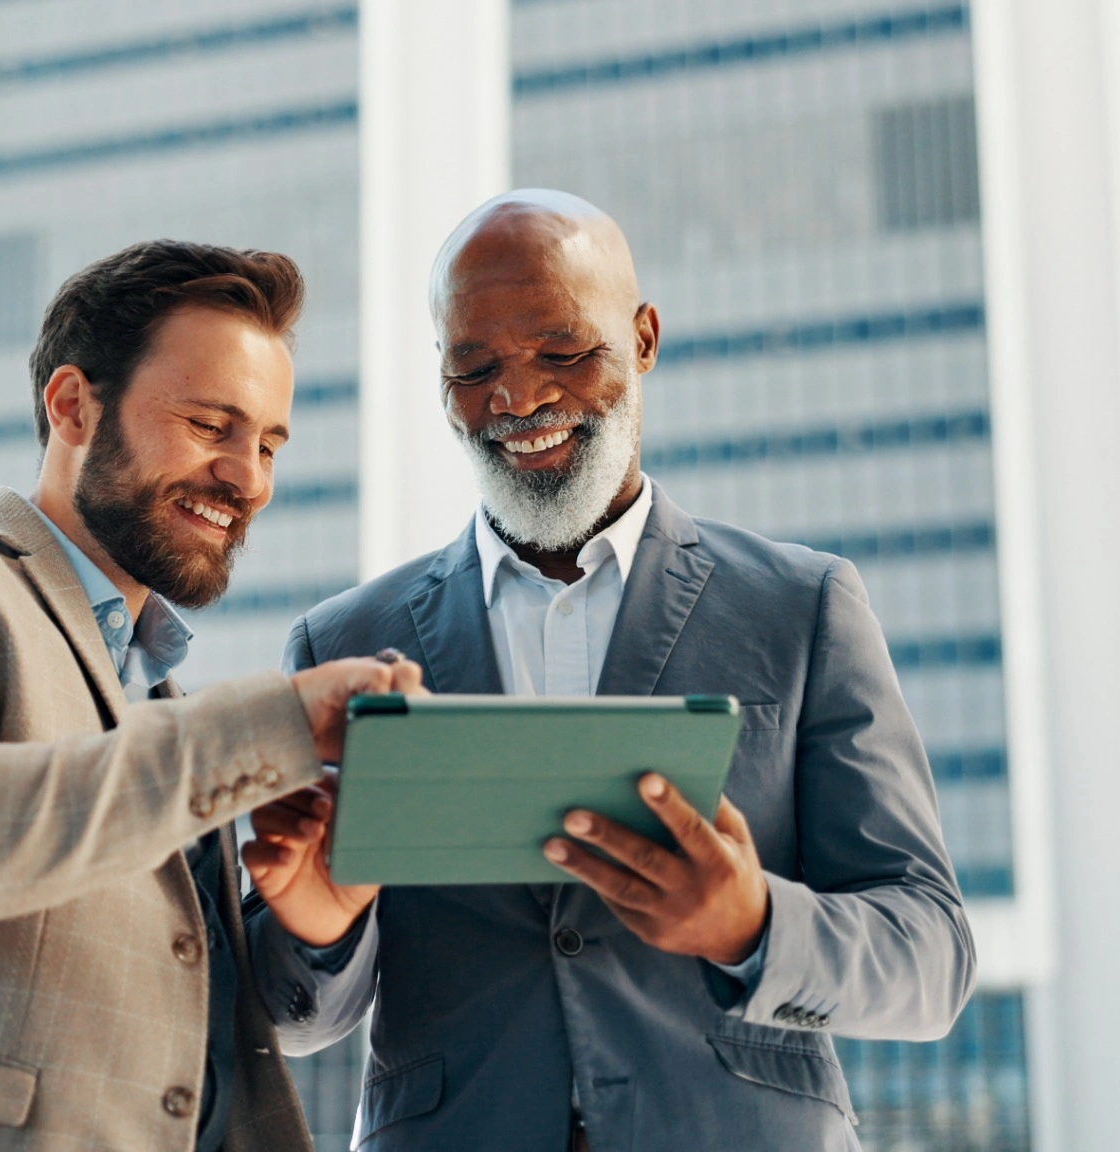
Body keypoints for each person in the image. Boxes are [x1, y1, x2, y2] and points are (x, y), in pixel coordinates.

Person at [245, 191, 976, 1151]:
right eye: (475, 367)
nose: (518, 399)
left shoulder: (803, 609)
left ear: (643, 339)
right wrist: (316, 927)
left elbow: (932, 954)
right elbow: (295, 1018)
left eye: (563, 353)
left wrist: (752, 923)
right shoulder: (344, 643)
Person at [0, 240, 425, 1152]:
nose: (250, 478)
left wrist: (316, 921)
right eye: (208, 425)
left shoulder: (160, 700)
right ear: (72, 405)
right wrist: (278, 722)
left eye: (268, 443)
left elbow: (198, 1024)